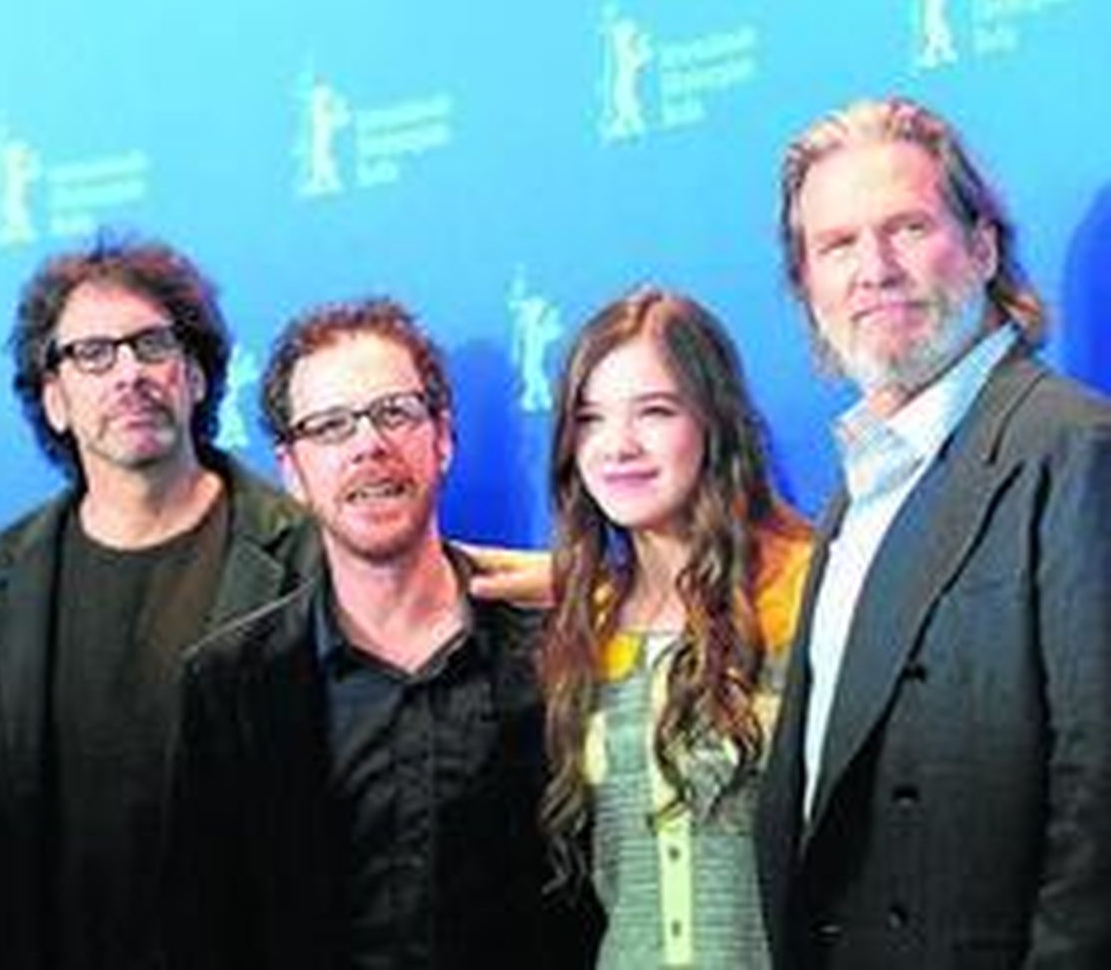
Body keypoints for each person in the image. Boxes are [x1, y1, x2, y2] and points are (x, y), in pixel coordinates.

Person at [754, 96, 1111, 967]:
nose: (873, 268)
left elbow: (1100, 787)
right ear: (807, 286)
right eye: (836, 244)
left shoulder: (1073, 448)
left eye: (907, 227)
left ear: (984, 247)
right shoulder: (859, 490)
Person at [0, 235, 322, 970]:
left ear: (195, 376)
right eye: (92, 355)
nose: (128, 373)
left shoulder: (310, 559)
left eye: (151, 344)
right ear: (54, 400)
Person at [163, 297, 592, 969]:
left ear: (442, 437)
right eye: (331, 427)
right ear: (292, 471)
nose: (369, 444)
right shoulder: (231, 686)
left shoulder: (559, 650)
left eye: (394, 413)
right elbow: (204, 936)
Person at [539, 288, 813, 968]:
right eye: (591, 419)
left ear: (715, 423)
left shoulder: (814, 592)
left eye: (655, 412)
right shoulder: (585, 625)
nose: (618, 446)